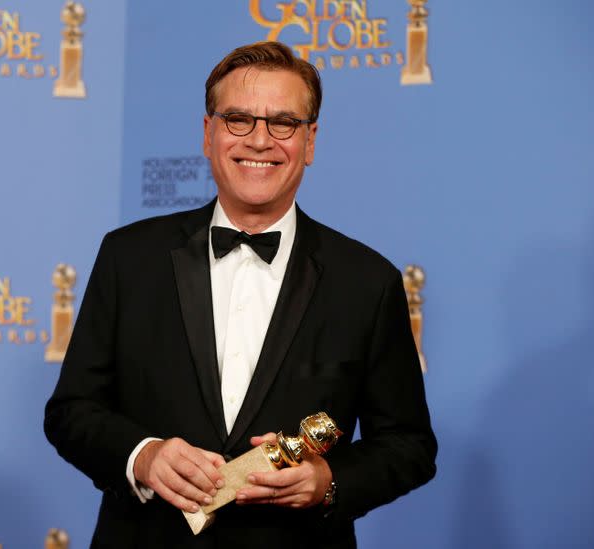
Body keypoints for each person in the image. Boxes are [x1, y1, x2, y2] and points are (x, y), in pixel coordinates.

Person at [44, 41, 437, 549]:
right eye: (238, 119)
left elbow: (409, 445)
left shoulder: (367, 281)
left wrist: (327, 482)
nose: (259, 140)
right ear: (208, 134)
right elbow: (71, 411)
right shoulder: (129, 257)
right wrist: (142, 455)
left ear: (310, 141)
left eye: (283, 123)